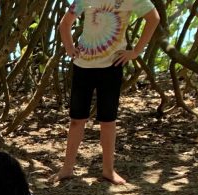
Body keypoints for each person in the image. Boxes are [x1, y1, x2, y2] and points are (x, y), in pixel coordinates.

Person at [56, 0, 160, 184]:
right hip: (83, 66)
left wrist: (135, 52)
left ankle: (108, 171)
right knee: (76, 120)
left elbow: (154, 18)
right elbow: (65, 24)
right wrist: (69, 48)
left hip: (112, 67)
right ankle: (67, 168)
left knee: (108, 121)